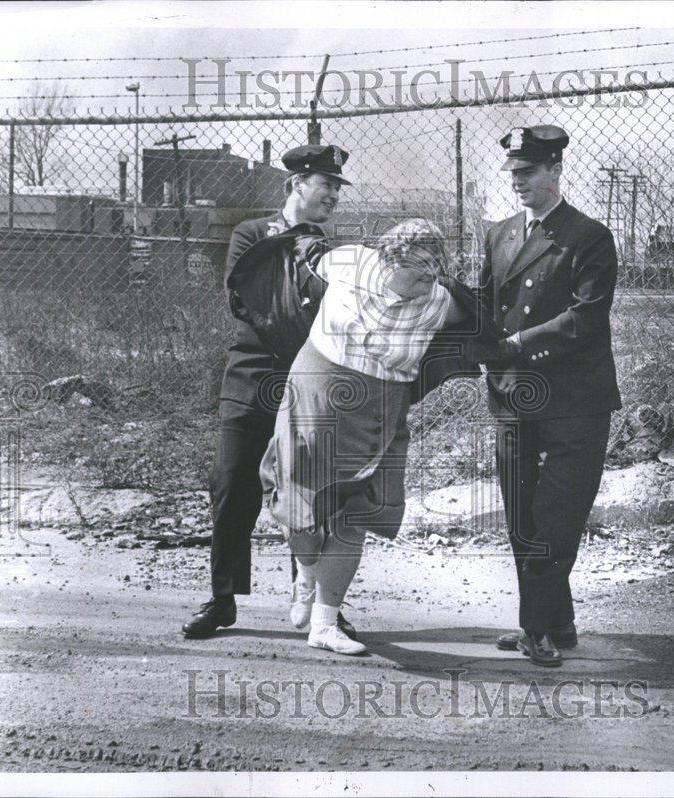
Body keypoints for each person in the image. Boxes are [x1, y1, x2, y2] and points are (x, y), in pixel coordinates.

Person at [260, 219, 466, 655]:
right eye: (418, 270)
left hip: (382, 407)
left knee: (359, 512)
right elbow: (303, 271)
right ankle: (306, 571)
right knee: (301, 503)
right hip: (318, 395)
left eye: (435, 270)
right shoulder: (351, 261)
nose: (427, 279)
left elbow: (477, 329)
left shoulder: (442, 300)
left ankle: (324, 624)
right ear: (388, 260)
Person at [182, 144, 358, 640]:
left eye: (337, 189)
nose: (334, 198)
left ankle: (318, 601)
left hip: (308, 380)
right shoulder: (251, 233)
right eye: (326, 186)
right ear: (296, 185)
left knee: (309, 490)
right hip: (253, 375)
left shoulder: (326, 245)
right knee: (232, 482)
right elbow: (247, 300)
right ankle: (222, 599)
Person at [473, 126, 622, 667]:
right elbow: (485, 306)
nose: (517, 182)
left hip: (575, 402)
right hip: (514, 396)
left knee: (555, 519)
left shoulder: (589, 237)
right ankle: (557, 620)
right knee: (520, 519)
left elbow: (585, 319)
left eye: (528, 173)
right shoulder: (499, 234)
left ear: (556, 171)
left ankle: (535, 627)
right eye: (512, 173)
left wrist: (514, 344)